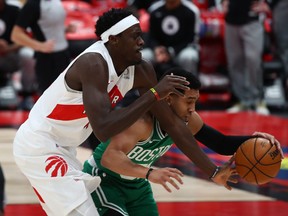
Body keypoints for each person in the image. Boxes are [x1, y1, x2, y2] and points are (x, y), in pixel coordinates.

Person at [12, 8, 235, 216]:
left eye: (141, 35)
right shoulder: (93, 64)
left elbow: (174, 125)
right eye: (135, 36)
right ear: (114, 39)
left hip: (65, 150)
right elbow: (103, 130)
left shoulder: (141, 69)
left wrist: (213, 172)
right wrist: (153, 94)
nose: (141, 41)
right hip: (39, 145)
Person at [82, 67, 284, 216]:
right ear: (169, 98)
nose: (192, 108)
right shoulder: (141, 121)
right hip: (104, 179)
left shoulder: (187, 120)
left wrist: (256, 139)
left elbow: (221, 143)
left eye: (195, 101)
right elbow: (109, 158)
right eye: (189, 101)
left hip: (136, 185)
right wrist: (150, 173)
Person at [11, 0, 75, 94]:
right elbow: (15, 35)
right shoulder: (33, 4)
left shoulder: (56, 1)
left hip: (64, 53)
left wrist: (65, 29)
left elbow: (50, 26)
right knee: (49, 95)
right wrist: (39, 46)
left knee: (65, 93)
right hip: (47, 59)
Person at [223, 0, 270, 115]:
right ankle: (243, 100)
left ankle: (258, 100)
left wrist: (269, 4)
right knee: (234, 62)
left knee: (253, 59)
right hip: (231, 21)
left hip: (252, 20)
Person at [141, 0, 201, 75]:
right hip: (159, 51)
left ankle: (190, 85)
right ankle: (144, 86)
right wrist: (156, 49)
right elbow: (150, 36)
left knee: (189, 57)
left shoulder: (192, 11)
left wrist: (171, 51)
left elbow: (192, 40)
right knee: (143, 57)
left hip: (180, 50)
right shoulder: (154, 9)